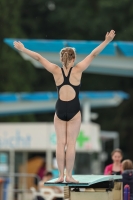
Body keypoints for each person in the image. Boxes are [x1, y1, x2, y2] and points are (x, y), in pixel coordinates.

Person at [14, 30, 116, 183]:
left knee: (60, 143)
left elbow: (39, 58)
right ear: (73, 58)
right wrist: (107, 41)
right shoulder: (78, 69)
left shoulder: (56, 70)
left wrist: (23, 49)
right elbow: (93, 54)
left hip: (60, 109)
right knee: (71, 144)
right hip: (74, 109)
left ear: (61, 59)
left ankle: (61, 176)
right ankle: (69, 176)